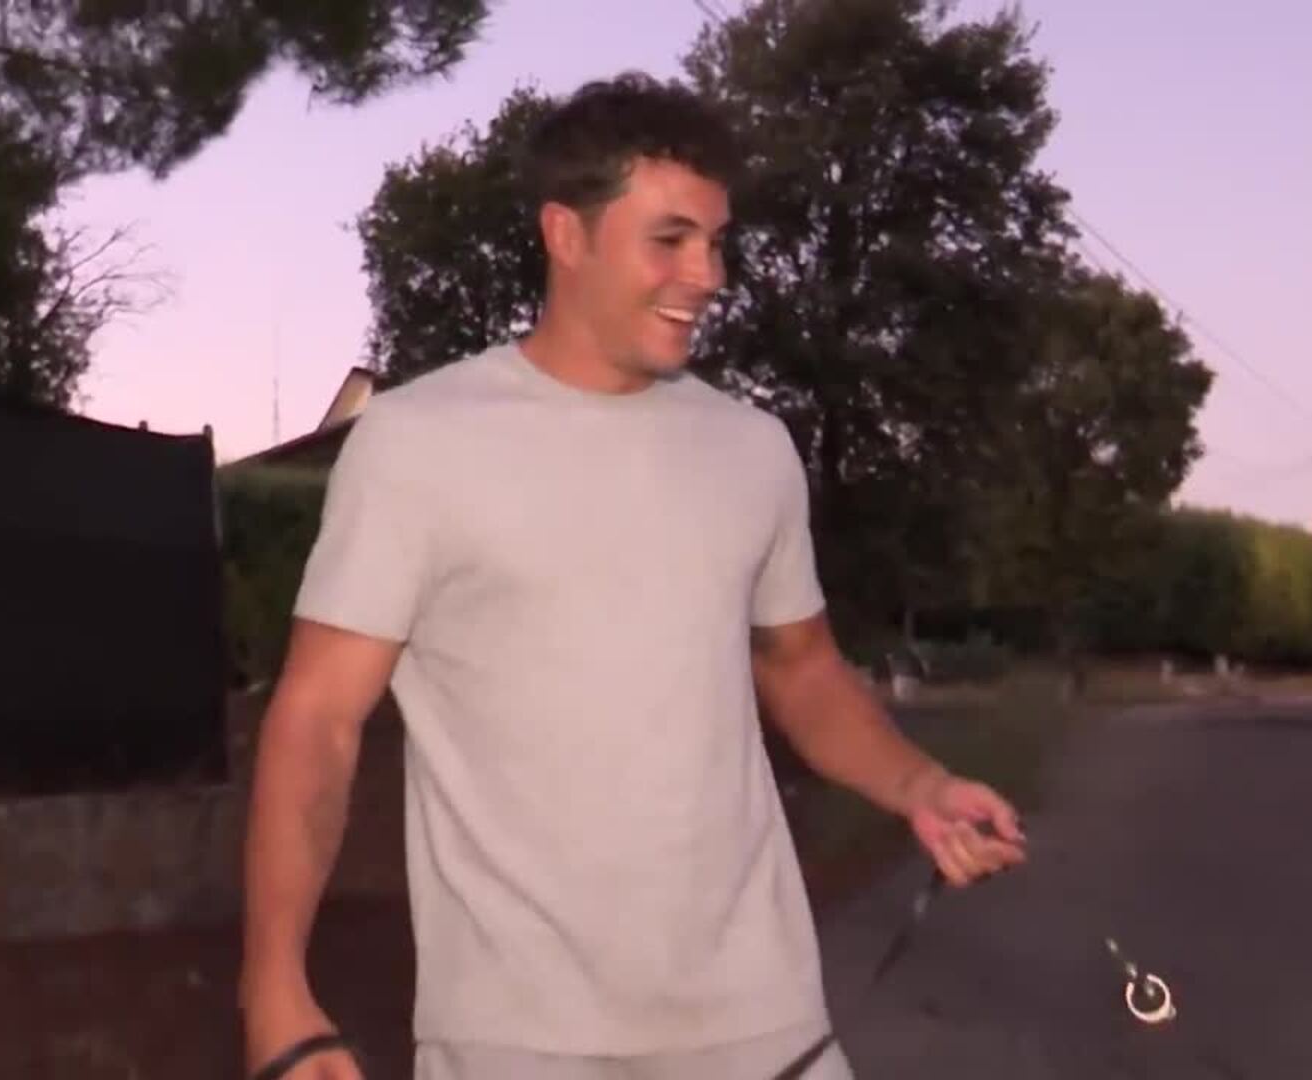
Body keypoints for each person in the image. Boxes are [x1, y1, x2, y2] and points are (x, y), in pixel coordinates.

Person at [237, 72, 1028, 1080]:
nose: (708, 274)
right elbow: (317, 718)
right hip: (519, 1043)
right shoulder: (416, 443)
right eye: (671, 239)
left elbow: (803, 669)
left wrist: (921, 785)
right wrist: (274, 987)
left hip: (768, 1025)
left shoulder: (752, 450)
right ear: (566, 234)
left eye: (717, 241)